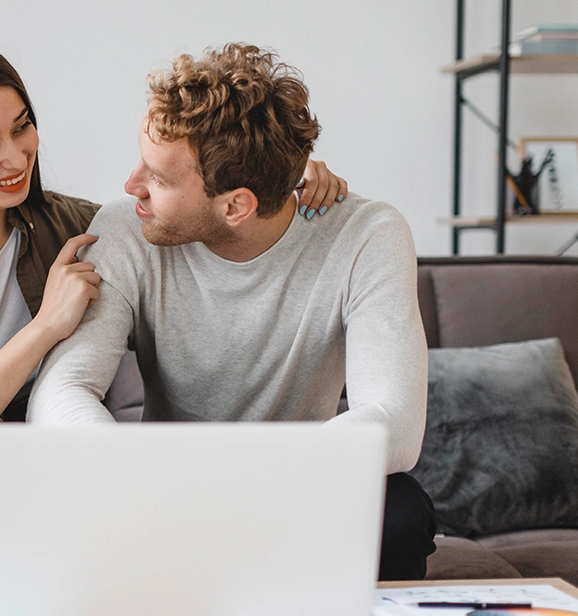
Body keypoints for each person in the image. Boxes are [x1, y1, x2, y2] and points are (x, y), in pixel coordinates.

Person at [0, 36, 345, 585]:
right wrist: (43, 328)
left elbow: (190, 212)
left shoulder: (77, 229)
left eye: (21, 126)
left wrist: (276, 180)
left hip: (8, 488)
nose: (15, 156)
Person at [27, 43, 437, 580]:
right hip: (158, 499)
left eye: (159, 178)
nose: (132, 187)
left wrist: (243, 487)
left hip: (296, 493)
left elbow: (396, 425)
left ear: (236, 205)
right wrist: (134, 474)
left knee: (402, 511)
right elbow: (60, 392)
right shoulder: (126, 229)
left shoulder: (367, 235)